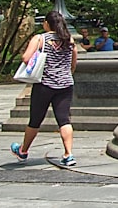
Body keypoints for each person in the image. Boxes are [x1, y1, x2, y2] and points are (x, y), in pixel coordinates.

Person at [10, 10, 78, 167]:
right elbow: (73, 64)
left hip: (44, 85)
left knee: (35, 119)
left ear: (47, 23)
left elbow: (26, 58)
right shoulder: (69, 40)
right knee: (64, 120)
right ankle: (68, 154)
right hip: (65, 84)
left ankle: (23, 150)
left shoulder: (40, 38)